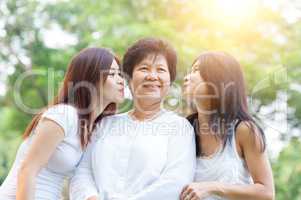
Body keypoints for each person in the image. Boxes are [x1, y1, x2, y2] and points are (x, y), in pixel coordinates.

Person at [70, 38, 196, 200]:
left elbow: (176, 182)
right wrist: (90, 197)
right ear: (128, 79)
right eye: (144, 68)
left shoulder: (180, 127)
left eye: (160, 70)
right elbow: (82, 172)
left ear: (170, 81)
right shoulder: (105, 124)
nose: (152, 76)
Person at [0, 47, 124, 200]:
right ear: (89, 79)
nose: (121, 80)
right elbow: (27, 170)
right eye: (112, 74)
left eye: (120, 74)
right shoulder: (64, 115)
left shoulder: (91, 128)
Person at [180, 51, 275, 200]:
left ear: (219, 79)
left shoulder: (244, 131)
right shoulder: (183, 130)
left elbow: (266, 193)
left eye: (196, 71)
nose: (187, 77)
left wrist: (212, 187)